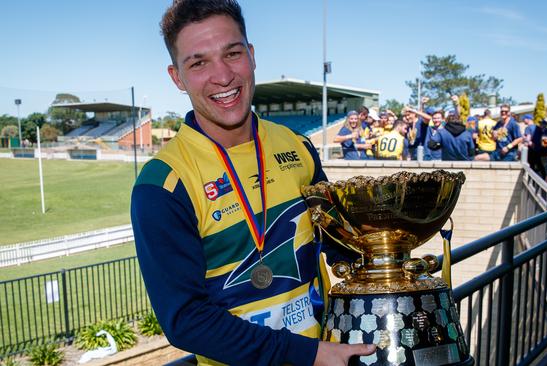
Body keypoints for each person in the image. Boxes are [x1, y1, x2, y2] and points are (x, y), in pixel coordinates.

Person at [130, 2, 374, 365]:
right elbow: (185, 320)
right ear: (177, 77)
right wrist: (307, 355)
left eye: (232, 53)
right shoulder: (163, 185)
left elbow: (337, 242)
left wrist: (387, 261)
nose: (223, 75)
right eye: (199, 63)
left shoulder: (298, 147)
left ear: (252, 55)